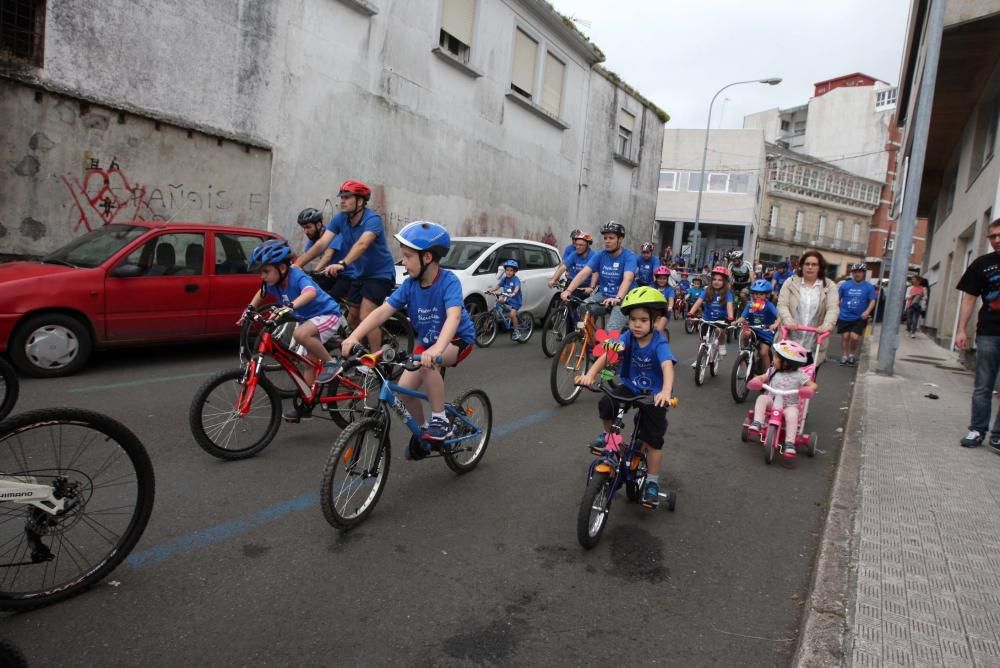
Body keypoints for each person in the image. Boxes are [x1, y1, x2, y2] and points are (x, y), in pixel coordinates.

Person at [342, 221, 475, 443]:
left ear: (427, 258)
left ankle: (440, 419)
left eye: (408, 256)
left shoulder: (448, 282)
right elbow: (380, 313)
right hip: (429, 344)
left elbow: (454, 317)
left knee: (427, 364)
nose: (403, 262)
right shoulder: (409, 286)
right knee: (403, 390)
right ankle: (424, 432)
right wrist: (354, 336)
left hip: (457, 340)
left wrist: (437, 350)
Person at [576, 287, 676, 509]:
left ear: (656, 320)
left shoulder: (659, 342)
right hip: (630, 386)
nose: (636, 325)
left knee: (653, 440)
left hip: (653, 394)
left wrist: (666, 391)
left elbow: (667, 366)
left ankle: (651, 482)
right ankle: (610, 437)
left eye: (642, 320)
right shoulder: (627, 336)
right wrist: (590, 375)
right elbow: (608, 353)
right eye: (632, 320)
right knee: (607, 403)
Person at [244, 239, 342, 421]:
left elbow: (310, 292)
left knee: (300, 334)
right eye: (260, 272)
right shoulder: (273, 282)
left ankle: (332, 364)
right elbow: (262, 292)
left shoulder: (297, 276)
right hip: (308, 319)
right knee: (308, 363)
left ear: (282, 268)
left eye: (266, 271)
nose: (262, 276)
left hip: (327, 315)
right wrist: (249, 309)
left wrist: (290, 306)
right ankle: (307, 405)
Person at [294, 180, 396, 352]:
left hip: (380, 275)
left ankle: (375, 361)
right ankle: (358, 352)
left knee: (366, 316)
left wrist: (343, 263)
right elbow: (321, 244)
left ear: (361, 201)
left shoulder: (373, 219)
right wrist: (297, 265)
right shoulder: (340, 219)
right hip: (359, 275)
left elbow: (363, 244)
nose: (342, 200)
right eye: (341, 197)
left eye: (347, 197)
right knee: (352, 319)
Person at [955, 218, 1000, 450]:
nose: (997, 240)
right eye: (992, 236)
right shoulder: (982, 264)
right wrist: (962, 328)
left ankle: (998, 435)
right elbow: (970, 298)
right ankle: (977, 429)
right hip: (989, 332)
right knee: (983, 384)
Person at [561, 221, 637, 334]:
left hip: (624, 298)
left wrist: (618, 298)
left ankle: (612, 346)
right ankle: (590, 337)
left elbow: (628, 279)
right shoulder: (600, 255)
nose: (607, 241)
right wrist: (568, 290)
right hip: (604, 294)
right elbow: (583, 273)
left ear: (620, 239)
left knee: (611, 329)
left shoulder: (629, 256)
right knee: (583, 306)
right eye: (605, 238)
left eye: (611, 238)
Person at [746, 339, 818, 458]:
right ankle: (758, 421)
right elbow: (763, 377)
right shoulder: (773, 370)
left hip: (789, 405)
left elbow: (813, 385)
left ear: (786, 363)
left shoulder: (800, 375)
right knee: (761, 399)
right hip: (772, 400)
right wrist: (756, 380)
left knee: (793, 415)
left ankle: (790, 443)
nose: (773, 359)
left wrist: (809, 389)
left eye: (776, 357)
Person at [777, 249, 839, 367]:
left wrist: (826, 326)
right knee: (784, 379)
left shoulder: (829, 286)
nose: (810, 267)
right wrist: (789, 321)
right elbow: (782, 304)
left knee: (807, 381)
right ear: (801, 266)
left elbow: (833, 308)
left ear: (820, 267)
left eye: (814, 264)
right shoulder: (790, 283)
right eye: (807, 264)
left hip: (813, 343)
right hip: (789, 340)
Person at [687, 265, 735, 363]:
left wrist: (730, 317)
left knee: (719, 331)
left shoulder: (727, 293)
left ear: (725, 282)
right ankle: (699, 359)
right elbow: (699, 301)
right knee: (703, 340)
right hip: (707, 317)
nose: (716, 282)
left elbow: (729, 305)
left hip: (721, 318)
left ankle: (721, 344)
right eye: (714, 279)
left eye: (720, 280)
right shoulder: (706, 290)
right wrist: (691, 313)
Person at [836, 263, 877, 366]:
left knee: (854, 337)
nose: (857, 274)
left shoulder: (869, 287)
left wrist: (867, 311)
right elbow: (837, 298)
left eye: (859, 272)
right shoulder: (845, 285)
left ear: (864, 273)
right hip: (845, 315)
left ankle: (852, 355)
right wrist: (837, 309)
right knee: (845, 337)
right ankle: (844, 355)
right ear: (852, 273)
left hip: (859, 317)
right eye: (855, 272)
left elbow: (872, 300)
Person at [735, 279, 780, 370]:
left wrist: (775, 324)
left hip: (766, 332)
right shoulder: (750, 305)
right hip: (753, 329)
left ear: (767, 295)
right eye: (755, 293)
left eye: (761, 294)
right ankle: (746, 350)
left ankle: (767, 375)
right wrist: (736, 322)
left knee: (763, 353)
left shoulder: (769, 305)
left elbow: (779, 316)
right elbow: (743, 317)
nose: (758, 296)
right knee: (745, 331)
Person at [490, 259, 523, 339]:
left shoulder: (516, 279)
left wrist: (514, 293)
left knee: (512, 315)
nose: (509, 272)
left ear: (514, 272)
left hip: (516, 301)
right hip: (508, 299)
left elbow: (517, 287)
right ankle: (505, 317)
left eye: (511, 270)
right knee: (499, 299)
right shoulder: (505, 279)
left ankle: (516, 331)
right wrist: (490, 290)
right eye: (507, 270)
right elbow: (498, 286)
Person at [652, 265, 675, 335]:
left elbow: (671, 299)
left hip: (665, 312)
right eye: (659, 278)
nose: (662, 280)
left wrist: (670, 307)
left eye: (664, 278)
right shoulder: (651, 287)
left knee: (658, 330)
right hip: (653, 311)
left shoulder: (670, 289)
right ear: (656, 278)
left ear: (667, 279)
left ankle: (659, 344)